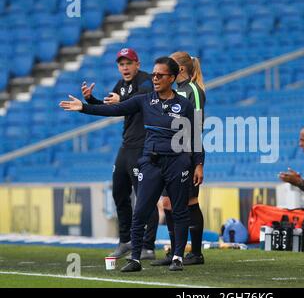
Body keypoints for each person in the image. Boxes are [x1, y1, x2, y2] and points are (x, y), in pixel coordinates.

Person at [60, 56, 204, 271]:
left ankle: (177, 258)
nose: (155, 78)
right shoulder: (144, 100)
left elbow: (195, 137)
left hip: (178, 163)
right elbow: (114, 110)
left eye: (160, 75)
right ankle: (135, 258)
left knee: (180, 210)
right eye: (154, 74)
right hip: (151, 162)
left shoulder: (183, 105)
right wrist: (85, 107)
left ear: (172, 78)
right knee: (141, 211)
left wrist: (199, 164)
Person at [81, 48, 159, 260]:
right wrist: (93, 100)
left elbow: (139, 100)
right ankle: (125, 240)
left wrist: (120, 102)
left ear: (137, 64)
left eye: (128, 63)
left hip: (144, 146)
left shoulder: (147, 81)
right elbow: (114, 109)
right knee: (119, 193)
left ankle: (148, 246)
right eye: (121, 64)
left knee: (145, 198)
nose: (124, 67)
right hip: (126, 146)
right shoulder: (121, 85)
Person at [152, 51, 206, 267]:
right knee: (167, 202)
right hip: (169, 154)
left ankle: (196, 253)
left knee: (190, 202)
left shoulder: (192, 90)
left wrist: (197, 161)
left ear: (180, 70)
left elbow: (197, 124)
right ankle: (176, 252)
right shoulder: (175, 92)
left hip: (187, 153)